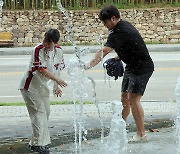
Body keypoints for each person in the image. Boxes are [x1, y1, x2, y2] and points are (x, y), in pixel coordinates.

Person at [84, 5, 154, 142]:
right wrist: (120, 56)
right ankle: (119, 129)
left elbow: (103, 51)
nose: (105, 25)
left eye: (105, 22)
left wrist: (88, 65)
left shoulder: (119, 31)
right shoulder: (121, 26)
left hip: (142, 67)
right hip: (131, 65)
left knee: (133, 99)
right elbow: (131, 44)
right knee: (124, 97)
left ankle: (141, 134)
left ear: (113, 18)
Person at [19, 29, 67, 153]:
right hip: (30, 86)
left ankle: (35, 142)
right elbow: (41, 70)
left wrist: (56, 86)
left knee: (46, 112)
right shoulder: (38, 49)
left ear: (55, 43)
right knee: (39, 113)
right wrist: (57, 79)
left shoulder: (59, 51)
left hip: (42, 86)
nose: (45, 43)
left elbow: (57, 69)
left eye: (48, 42)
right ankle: (38, 144)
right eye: (45, 39)